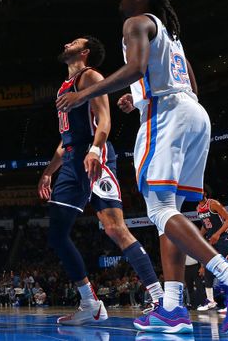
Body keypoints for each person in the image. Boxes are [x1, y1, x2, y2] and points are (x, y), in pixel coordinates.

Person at [56, 0, 228, 334]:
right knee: (166, 212)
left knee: (158, 209)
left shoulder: (136, 22)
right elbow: (187, 84)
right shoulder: (172, 36)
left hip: (167, 115)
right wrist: (138, 98)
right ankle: (172, 307)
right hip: (193, 113)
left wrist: (84, 95)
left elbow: (138, 68)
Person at [39, 36, 163, 325]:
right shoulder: (65, 87)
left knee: (115, 229)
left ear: (85, 52)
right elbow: (65, 139)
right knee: (61, 233)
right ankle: (91, 304)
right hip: (72, 157)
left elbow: (105, 119)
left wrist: (95, 150)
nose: (66, 43)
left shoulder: (90, 76)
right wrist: (48, 170)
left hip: (92, 156)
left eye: (74, 42)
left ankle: (158, 298)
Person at [195, 191, 228, 312]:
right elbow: (205, 226)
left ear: (204, 192)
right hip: (211, 241)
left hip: (223, 239)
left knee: (225, 270)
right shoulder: (198, 208)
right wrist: (198, 236)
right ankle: (211, 301)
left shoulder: (213, 203)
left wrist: (217, 234)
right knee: (208, 269)